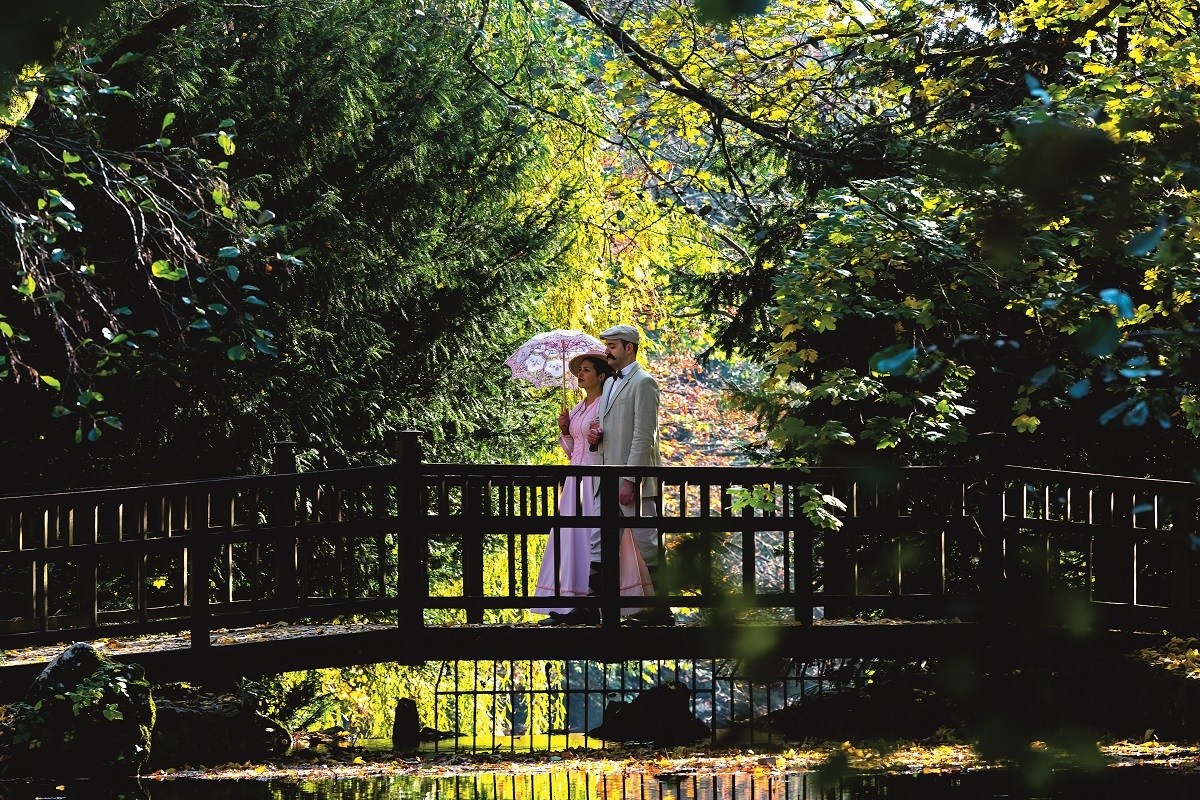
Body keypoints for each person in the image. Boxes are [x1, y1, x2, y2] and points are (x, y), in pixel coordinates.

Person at [533, 351, 653, 625]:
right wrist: (566, 431)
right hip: (575, 481)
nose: (580, 374)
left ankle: (597, 603)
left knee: (593, 538)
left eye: (586, 370)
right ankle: (571, 604)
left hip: (593, 480)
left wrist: (596, 439)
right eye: (579, 370)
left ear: (600, 376)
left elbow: (602, 448)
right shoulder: (578, 408)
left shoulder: (603, 407)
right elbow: (572, 452)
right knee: (572, 537)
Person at [588, 324, 674, 626]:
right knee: (598, 542)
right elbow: (613, 431)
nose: (607, 351)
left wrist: (630, 480)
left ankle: (662, 610)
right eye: (607, 345)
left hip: (631, 483)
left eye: (613, 346)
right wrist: (596, 437)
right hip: (605, 479)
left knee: (647, 542)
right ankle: (594, 608)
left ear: (629, 348)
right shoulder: (610, 384)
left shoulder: (644, 383)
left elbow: (644, 436)